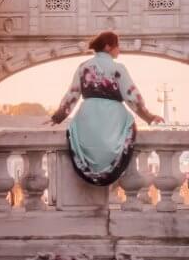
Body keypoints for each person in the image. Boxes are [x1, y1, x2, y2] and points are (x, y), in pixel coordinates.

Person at [50, 31, 163, 186]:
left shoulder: (83, 67)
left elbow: (73, 94)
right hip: (112, 117)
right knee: (126, 128)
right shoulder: (118, 68)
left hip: (88, 116)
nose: (119, 49)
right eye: (117, 46)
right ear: (108, 47)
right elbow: (132, 97)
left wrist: (57, 117)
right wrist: (148, 117)